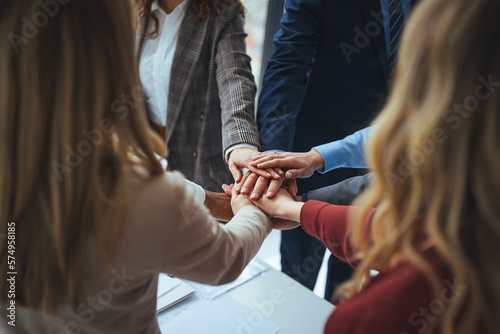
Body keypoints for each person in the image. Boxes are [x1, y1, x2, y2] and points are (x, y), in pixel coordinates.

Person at [0, 1, 272, 333]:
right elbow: (224, 261)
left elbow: (235, 80)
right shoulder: (146, 196)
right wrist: (252, 211)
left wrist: (240, 148)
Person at [245, 0, 500, 331]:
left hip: (379, 168)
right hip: (317, 151)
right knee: (297, 276)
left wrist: (298, 207)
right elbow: (287, 67)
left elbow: (388, 226)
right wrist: (285, 166)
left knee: (353, 277)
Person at [254, 0, 417, 299]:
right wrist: (275, 159)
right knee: (297, 273)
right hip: (308, 157)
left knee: (357, 268)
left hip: (394, 155)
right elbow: (287, 67)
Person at [135, 0, 280, 193]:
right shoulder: (130, 9)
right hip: (143, 148)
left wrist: (240, 144)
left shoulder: (222, 11)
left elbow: (234, 78)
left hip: (199, 154)